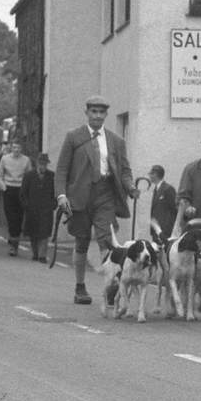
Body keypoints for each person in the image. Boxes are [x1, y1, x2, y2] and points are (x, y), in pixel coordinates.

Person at [54, 95, 138, 305]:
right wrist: (62, 195)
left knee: (106, 239)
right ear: (87, 113)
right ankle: (80, 286)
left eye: (101, 113)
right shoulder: (74, 136)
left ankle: (110, 285)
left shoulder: (116, 141)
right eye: (94, 112)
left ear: (106, 115)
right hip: (80, 196)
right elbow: (62, 169)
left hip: (105, 194)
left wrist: (131, 187)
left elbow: (125, 170)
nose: (98, 116)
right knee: (81, 241)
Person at [0, 139, 31, 255]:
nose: (16, 150)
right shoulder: (5, 159)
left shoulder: (26, 160)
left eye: (18, 148)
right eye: (14, 147)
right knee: (10, 216)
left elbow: (29, 176)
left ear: (22, 149)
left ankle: (14, 242)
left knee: (19, 217)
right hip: (8, 189)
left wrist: (26, 190)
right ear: (11, 148)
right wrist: (3, 187)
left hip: (20, 189)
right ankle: (13, 241)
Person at [21, 152, 56, 262]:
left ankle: (42, 255)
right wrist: (26, 205)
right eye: (41, 164)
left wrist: (53, 205)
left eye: (44, 164)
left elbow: (56, 192)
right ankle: (35, 253)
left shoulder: (52, 176)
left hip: (46, 209)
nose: (43, 166)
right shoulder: (29, 176)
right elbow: (23, 193)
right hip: (32, 208)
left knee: (44, 232)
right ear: (36, 164)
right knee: (33, 232)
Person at [146, 165, 177, 239]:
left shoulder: (168, 189)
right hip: (156, 230)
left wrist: (168, 228)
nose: (149, 176)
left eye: (151, 173)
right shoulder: (156, 189)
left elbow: (174, 209)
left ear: (155, 174)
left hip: (165, 231)